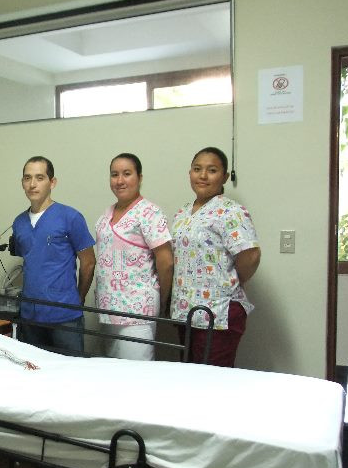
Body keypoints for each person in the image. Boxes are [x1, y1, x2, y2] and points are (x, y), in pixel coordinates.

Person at [170, 146, 261, 367]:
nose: (203, 175)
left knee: (212, 379)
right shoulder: (182, 213)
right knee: (188, 376)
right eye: (197, 169)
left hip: (219, 313)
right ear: (189, 173)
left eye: (211, 170)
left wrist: (229, 281)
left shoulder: (231, 211)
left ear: (224, 177)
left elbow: (250, 256)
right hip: (186, 311)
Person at [12, 156, 95, 354]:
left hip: (64, 315)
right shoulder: (19, 223)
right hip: (30, 316)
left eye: (40, 177)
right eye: (27, 178)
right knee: (33, 367)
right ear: (22, 183)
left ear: (52, 182)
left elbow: (89, 262)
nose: (32, 184)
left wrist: (78, 299)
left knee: (70, 368)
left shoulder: (70, 217)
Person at [94, 153, 173, 360]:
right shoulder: (107, 213)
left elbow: (166, 262)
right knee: (111, 370)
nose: (120, 180)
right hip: (108, 309)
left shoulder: (149, 213)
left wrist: (164, 300)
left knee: (136, 372)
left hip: (137, 310)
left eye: (127, 174)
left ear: (139, 177)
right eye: (114, 174)